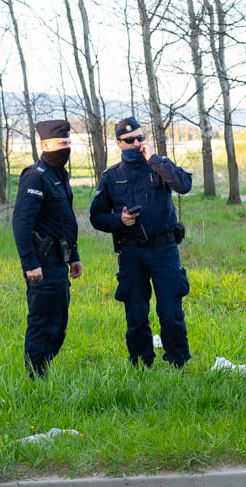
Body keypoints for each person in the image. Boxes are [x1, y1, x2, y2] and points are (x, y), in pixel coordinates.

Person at [90, 117, 192, 368]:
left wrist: (155, 160)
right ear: (118, 144)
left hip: (164, 250)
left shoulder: (158, 166)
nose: (136, 143)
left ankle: (178, 364)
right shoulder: (111, 176)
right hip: (132, 253)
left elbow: (184, 185)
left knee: (170, 312)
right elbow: (96, 217)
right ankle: (140, 363)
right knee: (135, 313)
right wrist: (119, 220)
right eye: (129, 140)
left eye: (140, 138)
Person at [12, 119, 83, 379]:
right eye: (60, 143)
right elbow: (21, 222)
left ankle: (43, 372)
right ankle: (35, 379)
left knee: (58, 323)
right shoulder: (35, 176)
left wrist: (73, 256)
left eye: (68, 143)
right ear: (44, 145)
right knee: (43, 322)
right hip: (42, 264)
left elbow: (64, 220)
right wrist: (30, 263)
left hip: (59, 262)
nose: (65, 148)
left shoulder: (59, 176)